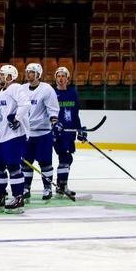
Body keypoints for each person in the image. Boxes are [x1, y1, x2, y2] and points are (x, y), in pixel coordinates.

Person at [0, 64, 30, 214]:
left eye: (2, 74)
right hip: (2, 136)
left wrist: (16, 118)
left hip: (15, 135)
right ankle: (0, 196)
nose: (0, 76)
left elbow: (25, 104)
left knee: (13, 165)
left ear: (10, 76)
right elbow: (3, 116)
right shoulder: (2, 92)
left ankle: (18, 197)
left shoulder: (16, 87)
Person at [20, 63, 60, 201]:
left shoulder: (47, 89)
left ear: (38, 74)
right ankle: (26, 188)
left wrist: (54, 121)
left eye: (31, 72)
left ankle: (47, 187)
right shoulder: (22, 89)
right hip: (26, 133)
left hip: (43, 133)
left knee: (45, 163)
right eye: (27, 72)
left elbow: (53, 109)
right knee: (25, 163)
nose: (28, 74)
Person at [53, 66, 86, 198]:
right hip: (57, 132)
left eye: (63, 76)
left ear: (68, 78)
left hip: (69, 131)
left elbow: (75, 113)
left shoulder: (72, 93)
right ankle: (62, 185)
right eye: (58, 76)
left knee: (67, 159)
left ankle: (61, 184)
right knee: (65, 157)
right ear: (55, 79)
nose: (61, 79)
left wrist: (79, 129)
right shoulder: (52, 93)